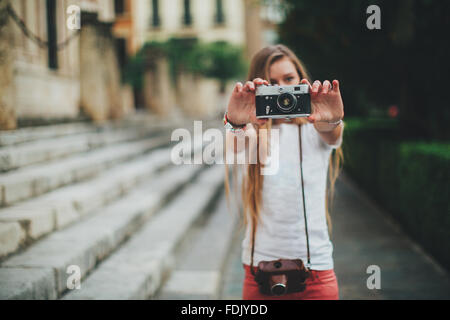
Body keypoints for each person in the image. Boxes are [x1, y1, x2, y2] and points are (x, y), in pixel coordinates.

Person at [224, 44, 344, 300]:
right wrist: (236, 122)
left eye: (288, 80)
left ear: (301, 80)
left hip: (316, 273)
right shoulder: (251, 132)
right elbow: (236, 144)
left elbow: (331, 131)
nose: (282, 90)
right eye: (271, 83)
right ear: (257, 88)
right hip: (260, 273)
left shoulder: (315, 129)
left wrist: (331, 118)